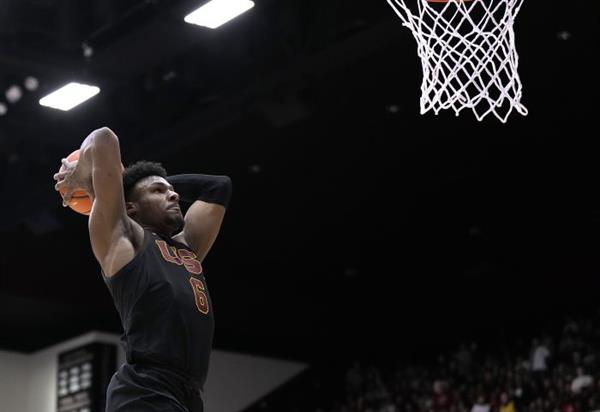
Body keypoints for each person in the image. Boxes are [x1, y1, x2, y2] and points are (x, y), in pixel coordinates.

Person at [53, 127, 232, 412]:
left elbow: (218, 186)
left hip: (187, 393)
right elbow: (104, 138)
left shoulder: (187, 248)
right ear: (130, 208)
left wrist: (142, 183)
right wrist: (97, 179)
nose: (174, 195)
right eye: (159, 191)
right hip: (145, 388)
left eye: (171, 190)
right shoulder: (123, 238)